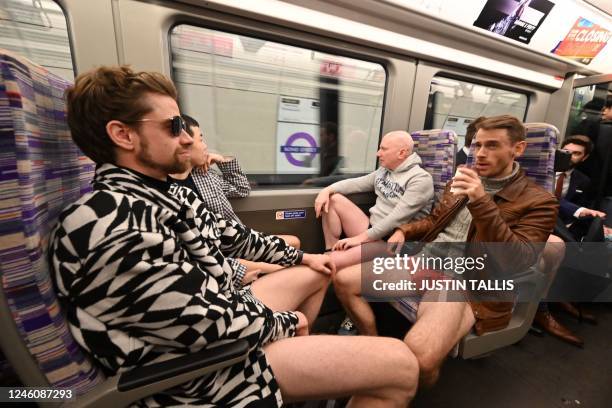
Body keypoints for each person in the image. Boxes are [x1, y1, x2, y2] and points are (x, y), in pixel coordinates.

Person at [49, 65, 419, 407]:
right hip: (198, 372)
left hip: (216, 308)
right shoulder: (108, 223)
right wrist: (286, 323)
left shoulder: (164, 193)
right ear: (123, 134)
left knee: (318, 271)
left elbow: (236, 237)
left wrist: (307, 258)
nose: (185, 137)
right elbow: (203, 324)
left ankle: (309, 370)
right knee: (401, 365)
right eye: (173, 125)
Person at [333, 114, 558, 387]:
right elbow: (434, 221)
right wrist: (405, 229)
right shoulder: (459, 180)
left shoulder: (540, 201)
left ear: (518, 149)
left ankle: (412, 379)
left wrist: (481, 201)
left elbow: (518, 261)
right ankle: (373, 343)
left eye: (493, 146)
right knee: (344, 281)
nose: (480, 154)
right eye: (477, 145)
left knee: (421, 359)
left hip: (465, 281)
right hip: (426, 262)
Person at [169, 114, 300, 282]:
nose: (205, 146)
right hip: (218, 254)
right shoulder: (171, 192)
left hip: (235, 241)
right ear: (184, 143)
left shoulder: (204, 175)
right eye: (201, 140)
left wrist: (223, 161)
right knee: (293, 269)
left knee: (294, 242)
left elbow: (241, 189)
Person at [314, 130, 434, 271]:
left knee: (330, 261)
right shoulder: (385, 171)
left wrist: (359, 239)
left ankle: (334, 260)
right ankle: (331, 249)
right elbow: (355, 184)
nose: (378, 153)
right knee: (334, 199)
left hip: (390, 240)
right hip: (373, 229)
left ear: (401, 153)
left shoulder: (420, 179)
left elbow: (396, 219)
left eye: (383, 149)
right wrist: (326, 190)